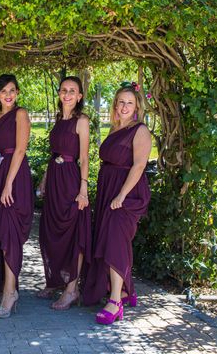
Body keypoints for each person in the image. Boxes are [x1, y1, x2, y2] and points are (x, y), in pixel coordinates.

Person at [83, 82, 152, 325]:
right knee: (114, 239)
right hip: (108, 190)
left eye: (129, 103)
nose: (124, 106)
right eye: (121, 102)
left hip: (128, 193)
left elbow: (139, 165)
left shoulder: (140, 130)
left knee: (115, 239)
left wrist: (121, 196)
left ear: (137, 107)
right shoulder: (114, 129)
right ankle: (125, 290)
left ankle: (115, 302)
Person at [0, 74, 33, 318]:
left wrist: (9, 184)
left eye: (12, 90)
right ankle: (6, 287)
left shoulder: (21, 114)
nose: (8, 95)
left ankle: (10, 292)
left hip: (15, 178)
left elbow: (20, 149)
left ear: (18, 92)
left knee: (10, 235)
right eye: (3, 91)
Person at [37, 76, 91, 310]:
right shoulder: (59, 120)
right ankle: (56, 281)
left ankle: (72, 290)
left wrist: (83, 190)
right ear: (60, 93)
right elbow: (53, 153)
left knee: (72, 233)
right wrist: (43, 181)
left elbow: (85, 157)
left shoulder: (82, 121)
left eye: (73, 91)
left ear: (79, 96)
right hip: (54, 180)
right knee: (51, 232)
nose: (67, 94)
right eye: (64, 90)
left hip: (71, 180)